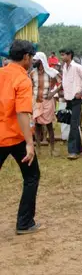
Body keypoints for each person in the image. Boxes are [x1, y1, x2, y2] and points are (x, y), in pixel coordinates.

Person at [0, 40, 42, 234]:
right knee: (32, 176)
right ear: (26, 57)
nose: (32, 60)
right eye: (32, 57)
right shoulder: (22, 79)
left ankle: (25, 222)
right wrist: (29, 144)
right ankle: (24, 222)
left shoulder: (1, 72)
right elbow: (22, 113)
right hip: (15, 137)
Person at [60, 48, 82, 160]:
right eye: (61, 55)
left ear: (69, 55)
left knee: (74, 124)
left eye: (63, 55)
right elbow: (65, 83)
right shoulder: (64, 67)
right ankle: (79, 149)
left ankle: (72, 151)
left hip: (76, 99)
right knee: (72, 124)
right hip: (68, 99)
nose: (62, 57)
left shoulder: (77, 67)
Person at [30, 52, 61, 155]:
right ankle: (38, 149)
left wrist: (53, 92)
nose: (33, 61)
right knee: (37, 126)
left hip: (48, 102)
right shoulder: (32, 73)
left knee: (49, 125)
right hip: (36, 102)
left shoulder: (51, 72)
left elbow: (62, 82)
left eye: (35, 60)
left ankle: (52, 149)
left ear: (41, 61)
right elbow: (30, 86)